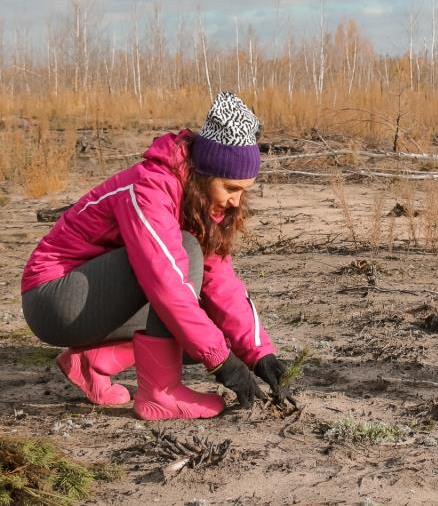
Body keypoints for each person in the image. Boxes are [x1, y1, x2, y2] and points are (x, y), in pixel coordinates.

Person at [20, 92, 289, 420]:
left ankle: (93, 362)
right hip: (54, 298)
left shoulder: (200, 201)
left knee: (207, 321)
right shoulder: (150, 189)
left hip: (95, 300)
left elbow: (222, 281)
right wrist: (223, 364)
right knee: (185, 259)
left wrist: (259, 354)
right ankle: (160, 394)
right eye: (231, 188)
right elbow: (166, 284)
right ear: (205, 173)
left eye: (244, 191)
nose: (236, 200)